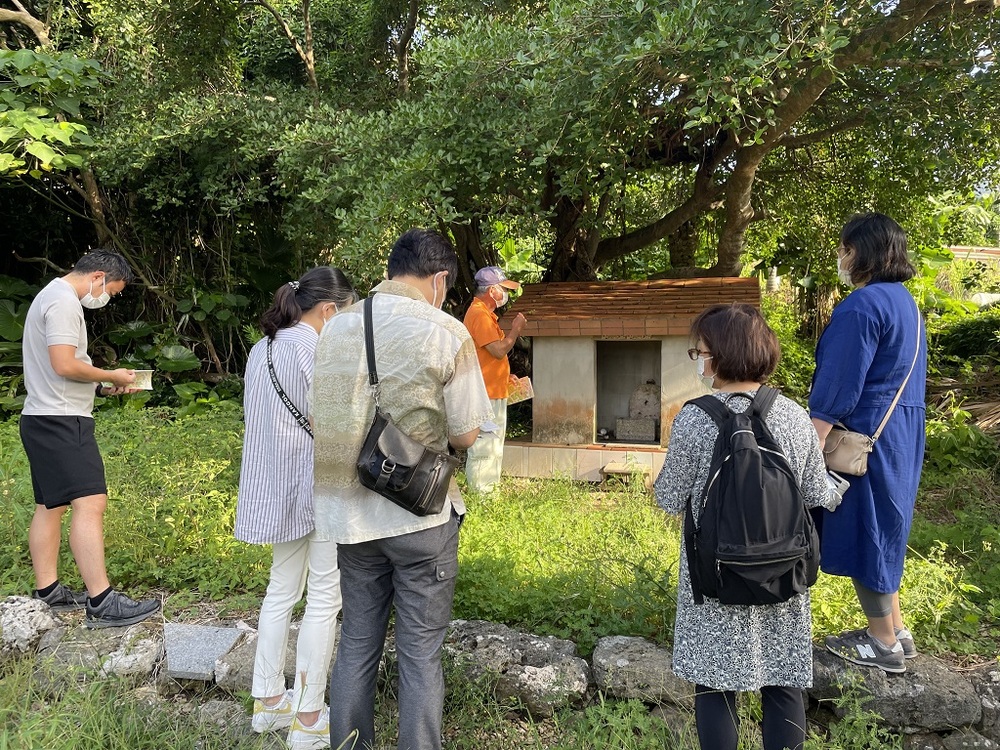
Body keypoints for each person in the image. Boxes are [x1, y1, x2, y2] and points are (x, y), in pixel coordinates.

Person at [311, 228, 493, 750]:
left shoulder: (335, 328)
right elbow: (466, 433)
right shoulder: (446, 332)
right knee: (419, 652)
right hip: (420, 516)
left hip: (348, 516)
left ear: (391, 270)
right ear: (440, 280)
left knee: (356, 644)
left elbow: (318, 415)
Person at [653, 303, 836, 750]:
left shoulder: (694, 418)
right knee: (783, 683)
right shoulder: (793, 415)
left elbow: (669, 497)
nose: (699, 361)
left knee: (714, 687)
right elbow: (818, 493)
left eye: (700, 352)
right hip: (784, 571)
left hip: (715, 575)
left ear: (721, 356)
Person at [236, 268, 358, 749]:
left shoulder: (261, 349)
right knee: (325, 597)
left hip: (275, 487)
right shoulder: (317, 351)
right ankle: (309, 720)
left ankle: (269, 702)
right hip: (319, 486)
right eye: (344, 314)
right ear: (328, 310)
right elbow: (335, 424)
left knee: (281, 591)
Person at [19, 249, 160, 628]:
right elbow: (64, 363)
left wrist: (100, 387)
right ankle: (102, 601)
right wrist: (111, 374)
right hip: (63, 421)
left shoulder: (49, 295)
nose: (106, 298)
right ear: (97, 276)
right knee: (91, 502)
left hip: (42, 416)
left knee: (50, 505)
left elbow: (58, 370)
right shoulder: (64, 302)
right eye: (111, 291)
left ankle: (48, 591)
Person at [811, 213, 926, 674]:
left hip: (864, 438)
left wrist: (811, 443)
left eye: (845, 248)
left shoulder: (862, 306)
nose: (841, 257)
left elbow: (840, 382)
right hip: (900, 435)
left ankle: (883, 645)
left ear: (862, 251)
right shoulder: (906, 304)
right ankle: (897, 628)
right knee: (888, 529)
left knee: (867, 530)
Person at [462, 266, 527, 494]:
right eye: (503, 289)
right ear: (492, 291)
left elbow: (488, 356)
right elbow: (498, 350)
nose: (505, 294)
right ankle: (482, 496)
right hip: (485, 394)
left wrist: (505, 375)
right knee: (485, 446)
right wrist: (515, 330)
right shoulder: (479, 314)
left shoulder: (484, 314)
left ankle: (489, 493)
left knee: (493, 445)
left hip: (492, 391)